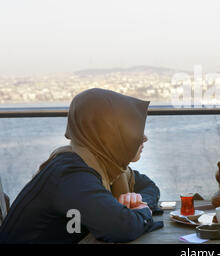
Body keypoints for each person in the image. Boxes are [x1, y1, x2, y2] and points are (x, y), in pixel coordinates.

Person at [0, 88, 163, 243]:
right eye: (131, 129)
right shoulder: (71, 174)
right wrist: (143, 212)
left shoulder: (109, 168)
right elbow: (121, 228)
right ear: (108, 132)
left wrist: (138, 202)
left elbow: (150, 187)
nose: (144, 137)